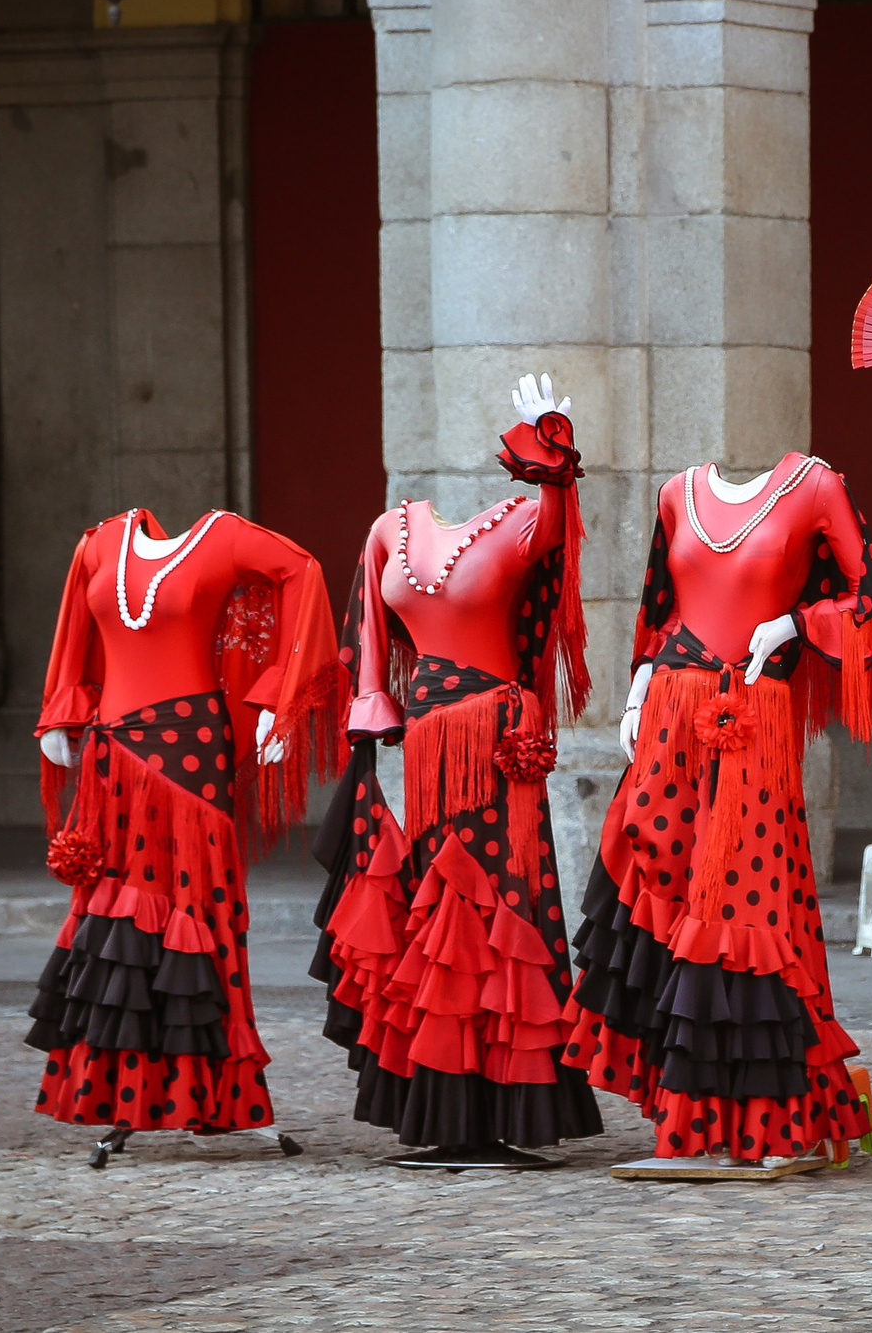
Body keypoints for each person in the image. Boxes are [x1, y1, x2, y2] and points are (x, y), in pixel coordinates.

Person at [559, 435, 872, 1168]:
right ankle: (688, 1121)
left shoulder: (815, 485)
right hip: (672, 712)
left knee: (740, 905)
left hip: (752, 715)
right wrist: (640, 685)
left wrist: (799, 624)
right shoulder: (676, 494)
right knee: (667, 892)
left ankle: (760, 1124)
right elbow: (658, 606)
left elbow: (869, 595)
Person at [312, 375, 604, 1168]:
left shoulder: (518, 521)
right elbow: (368, 627)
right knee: (434, 915)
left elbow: (559, 524)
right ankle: (446, 1113)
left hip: (497, 740)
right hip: (427, 744)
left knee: (503, 906)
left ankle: (504, 1111)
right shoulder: (388, 530)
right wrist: (371, 704)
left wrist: (552, 441)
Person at [22, 507, 346, 1165]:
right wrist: (62, 708)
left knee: (197, 914)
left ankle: (221, 1093)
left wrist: (277, 695)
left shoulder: (225, 537)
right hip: (110, 757)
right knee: (115, 926)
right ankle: (126, 1094)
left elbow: (303, 571)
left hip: (190, 754)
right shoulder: (97, 543)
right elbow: (73, 638)